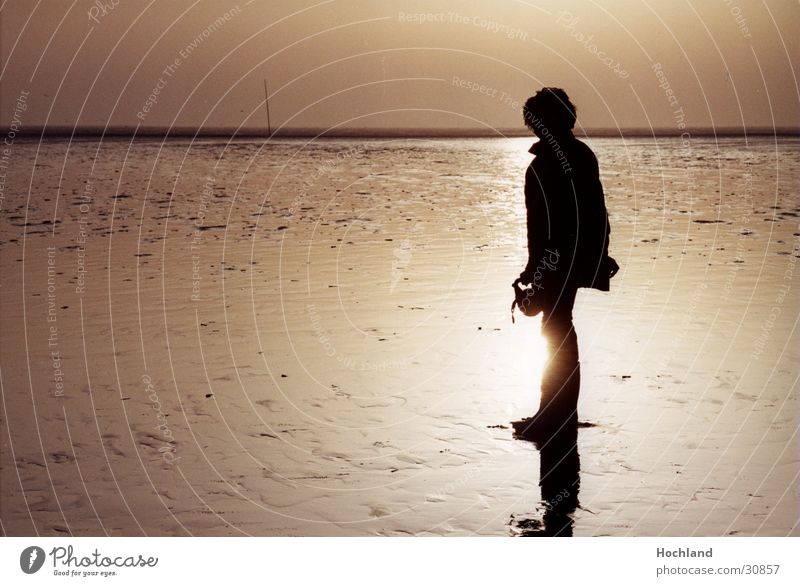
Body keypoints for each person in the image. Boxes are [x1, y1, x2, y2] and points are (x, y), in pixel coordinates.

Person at [512, 88, 618, 442]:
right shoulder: (582, 154)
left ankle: (553, 416)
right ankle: (557, 413)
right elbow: (596, 210)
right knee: (558, 326)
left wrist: (535, 267)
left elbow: (541, 225)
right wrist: (600, 253)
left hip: (557, 258)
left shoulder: (545, 164)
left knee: (556, 327)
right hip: (577, 254)